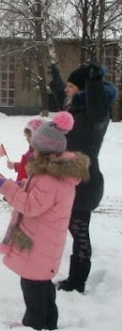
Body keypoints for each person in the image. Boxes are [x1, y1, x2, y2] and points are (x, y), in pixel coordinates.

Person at [0, 111, 90, 330]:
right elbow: (37, 195)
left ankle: (33, 325)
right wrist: (21, 185)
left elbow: (31, 206)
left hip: (40, 244)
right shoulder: (56, 174)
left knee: (33, 286)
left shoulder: (50, 179)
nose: (31, 150)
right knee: (42, 286)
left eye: (34, 147)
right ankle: (47, 324)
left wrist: (5, 186)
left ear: (44, 152)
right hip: (45, 241)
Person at [49, 62, 118, 293]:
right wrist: (57, 78)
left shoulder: (96, 113)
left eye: (71, 86)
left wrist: (95, 81)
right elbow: (61, 98)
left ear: (83, 88)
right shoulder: (75, 110)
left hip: (85, 181)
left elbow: (96, 102)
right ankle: (71, 276)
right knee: (70, 227)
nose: (67, 89)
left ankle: (77, 281)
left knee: (79, 232)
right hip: (69, 179)